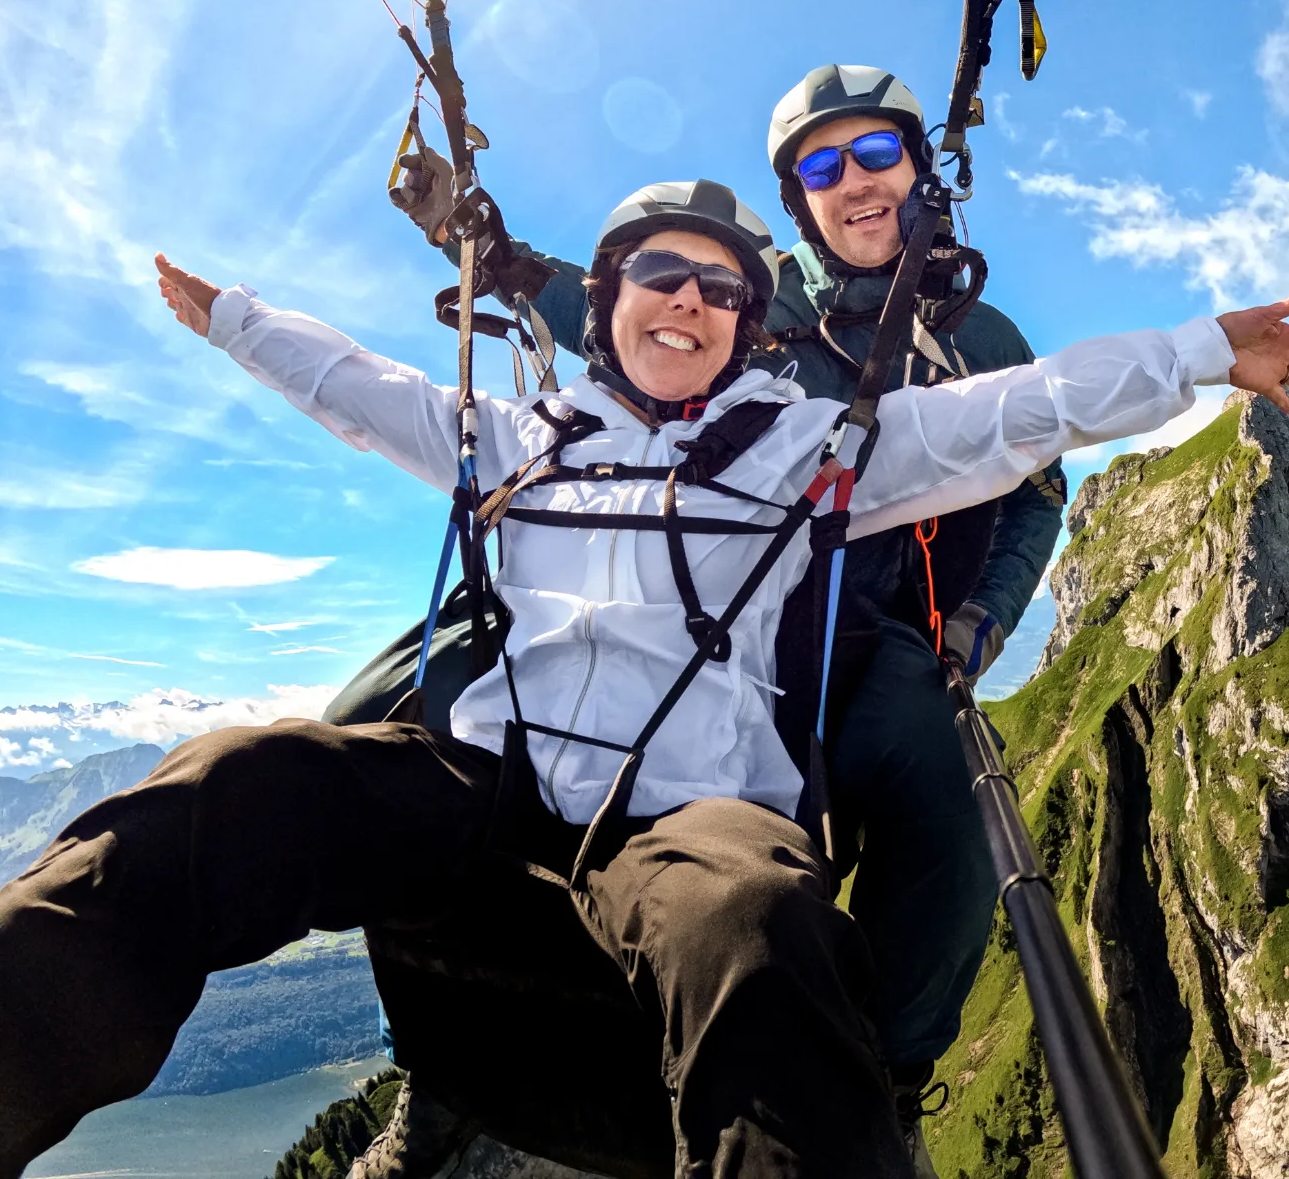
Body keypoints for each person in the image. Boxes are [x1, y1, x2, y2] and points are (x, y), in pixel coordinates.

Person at [0, 178, 1289, 1179]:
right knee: (238, 780)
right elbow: (356, 386)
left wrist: (1205, 353)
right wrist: (231, 319)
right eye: (659, 279)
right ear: (611, 304)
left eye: (718, 289)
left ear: (748, 326)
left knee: (755, 923)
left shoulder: (817, 447)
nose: (687, 301)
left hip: (689, 817)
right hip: (483, 788)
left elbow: (1016, 413)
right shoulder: (518, 439)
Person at [331, 66, 1070, 1171]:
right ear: (798, 196)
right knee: (375, 720)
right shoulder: (763, 303)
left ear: (922, 169)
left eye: (877, 155)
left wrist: (979, 623)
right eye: (824, 166)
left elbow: (1033, 492)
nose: (855, 182)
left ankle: (894, 1077)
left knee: (947, 797)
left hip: (866, 630)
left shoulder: (986, 340)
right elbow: (625, 316)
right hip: (696, 588)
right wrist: (471, 244)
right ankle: (436, 1069)